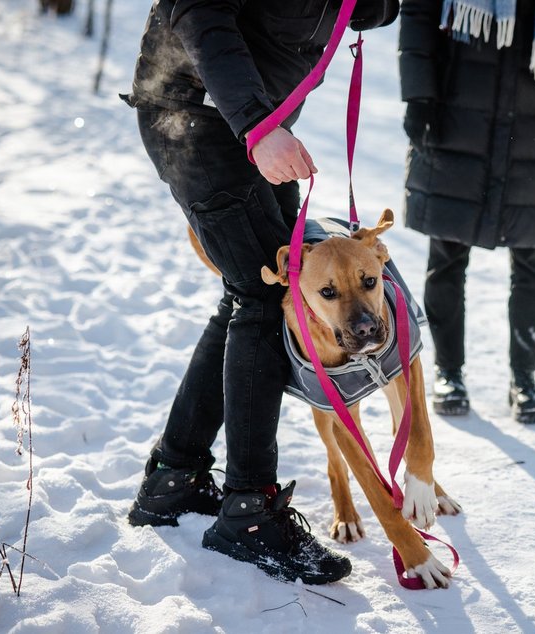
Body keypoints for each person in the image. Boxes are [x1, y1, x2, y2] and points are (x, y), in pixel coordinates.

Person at [121, 0, 398, 585]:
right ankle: (248, 513)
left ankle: (176, 478)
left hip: (247, 120)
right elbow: (200, 13)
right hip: (201, 117)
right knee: (263, 296)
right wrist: (258, 124)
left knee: (250, 293)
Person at [397, 0, 535, 423]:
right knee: (447, 256)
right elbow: (418, 12)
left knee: (531, 260)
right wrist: (419, 95)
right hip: (456, 118)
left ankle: (524, 379)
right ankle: (448, 372)